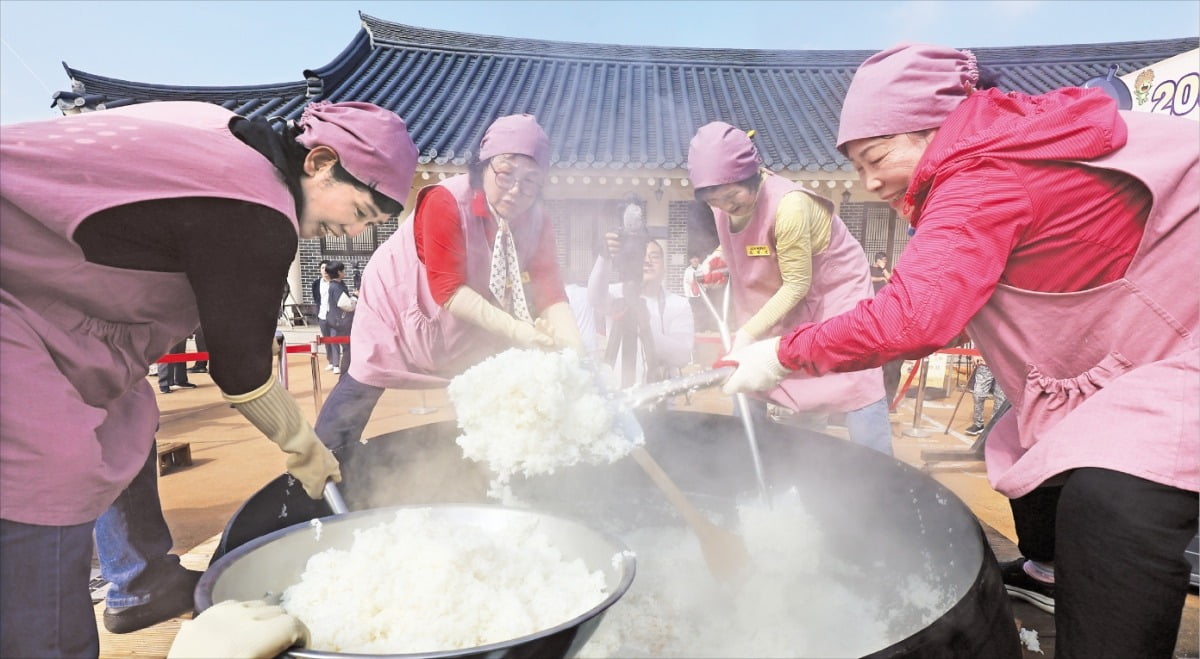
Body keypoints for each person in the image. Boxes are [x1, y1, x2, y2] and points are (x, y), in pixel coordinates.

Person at [721, 43, 1198, 658]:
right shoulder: (1004, 146)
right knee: (1040, 452)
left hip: (1178, 352)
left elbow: (913, 318)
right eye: (856, 164)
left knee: (1113, 500)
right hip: (1148, 346)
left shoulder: (980, 172)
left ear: (934, 127)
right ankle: (1044, 571)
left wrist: (780, 354)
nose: (867, 182)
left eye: (876, 155)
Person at [0, 99, 418, 657]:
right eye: (362, 210)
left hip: (50, 306)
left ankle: (139, 585)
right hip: (16, 300)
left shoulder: (220, 130)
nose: (352, 231)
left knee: (124, 422)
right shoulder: (256, 205)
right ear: (319, 162)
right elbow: (240, 368)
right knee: (50, 465)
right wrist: (303, 445)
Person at [315, 114, 585, 452]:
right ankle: (324, 466)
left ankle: (487, 464)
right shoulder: (446, 201)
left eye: (531, 181)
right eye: (506, 174)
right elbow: (448, 289)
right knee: (364, 378)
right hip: (399, 302)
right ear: (482, 166)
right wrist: (520, 331)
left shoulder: (537, 220)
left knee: (496, 384)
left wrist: (578, 354)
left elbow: (551, 290)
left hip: (470, 313)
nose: (517, 190)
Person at [688, 121, 893, 456]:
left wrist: (747, 333)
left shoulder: (790, 206)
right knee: (749, 377)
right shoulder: (723, 204)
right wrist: (718, 258)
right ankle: (743, 466)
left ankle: (889, 487)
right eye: (715, 200)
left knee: (855, 379)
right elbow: (747, 243)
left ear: (753, 173)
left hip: (830, 295)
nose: (725, 206)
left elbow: (797, 283)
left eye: (731, 196)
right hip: (773, 294)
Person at [589, 230, 695, 387]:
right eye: (641, 257)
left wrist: (645, 328)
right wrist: (604, 258)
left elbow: (683, 356)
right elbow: (595, 298)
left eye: (654, 257)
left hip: (659, 395)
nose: (647, 261)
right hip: (618, 392)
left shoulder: (678, 303)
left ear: (664, 268)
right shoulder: (617, 294)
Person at [870, 252, 903, 407]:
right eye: (883, 260)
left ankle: (887, 401)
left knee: (892, 368)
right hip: (872, 314)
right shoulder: (869, 269)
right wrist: (880, 277)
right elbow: (866, 280)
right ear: (877, 260)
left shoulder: (886, 272)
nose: (885, 262)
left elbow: (890, 280)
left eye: (886, 260)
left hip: (886, 319)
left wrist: (884, 272)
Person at [324, 260, 357, 376]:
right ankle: (346, 374)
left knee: (348, 349)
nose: (344, 272)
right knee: (348, 350)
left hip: (339, 322)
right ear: (338, 272)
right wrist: (355, 297)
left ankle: (347, 373)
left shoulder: (336, 285)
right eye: (343, 270)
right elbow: (346, 305)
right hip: (342, 323)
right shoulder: (336, 287)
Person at [965, 359, 1006, 436]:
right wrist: (975, 353)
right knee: (978, 394)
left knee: (1000, 398)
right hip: (984, 362)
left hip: (1004, 363)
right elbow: (979, 345)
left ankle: (994, 426)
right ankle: (978, 424)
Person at [315, 259, 341, 373]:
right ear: (320, 270)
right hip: (322, 316)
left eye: (326, 268)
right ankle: (330, 361)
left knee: (334, 339)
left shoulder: (335, 283)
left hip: (333, 316)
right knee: (326, 340)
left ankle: (336, 364)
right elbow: (317, 300)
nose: (324, 270)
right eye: (322, 268)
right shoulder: (316, 284)